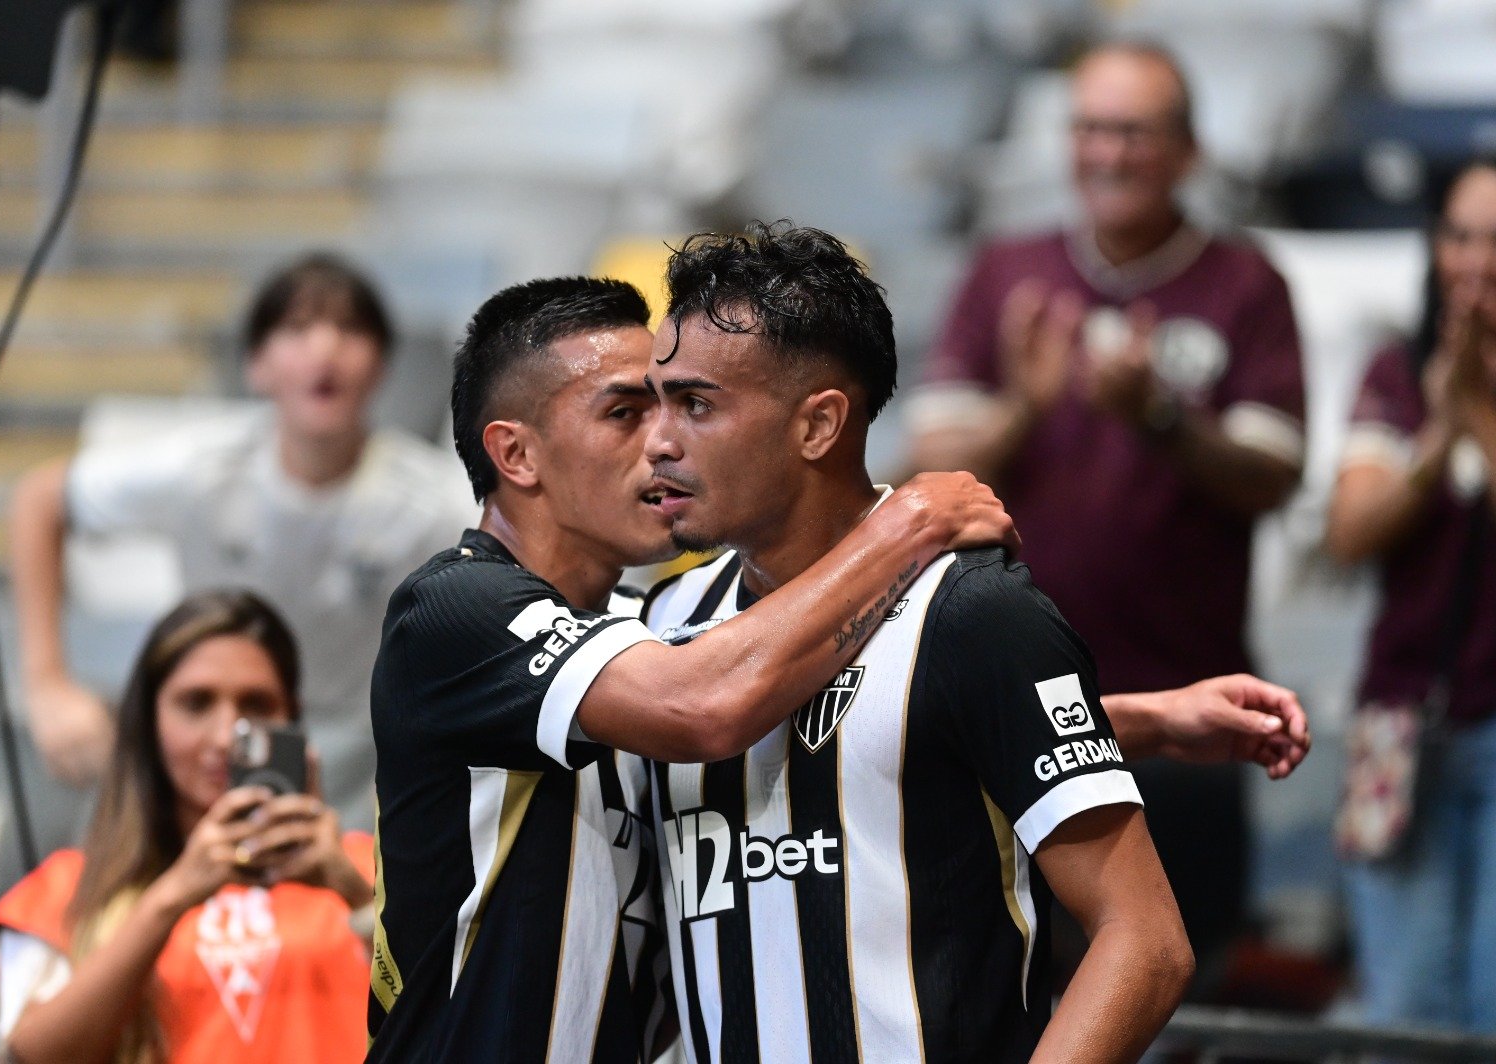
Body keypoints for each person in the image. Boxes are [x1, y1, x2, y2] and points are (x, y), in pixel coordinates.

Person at [640, 221, 1311, 1062]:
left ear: (817, 427)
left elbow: (1144, 944)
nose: (657, 440)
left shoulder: (975, 612)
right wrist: (1142, 718)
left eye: (695, 404)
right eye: (652, 402)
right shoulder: (661, 628)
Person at [366, 276, 1021, 1061]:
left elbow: (858, 723)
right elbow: (704, 710)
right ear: (515, 452)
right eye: (625, 412)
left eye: (680, 406)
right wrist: (908, 522)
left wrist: (1102, 715)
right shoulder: (454, 611)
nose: (665, 441)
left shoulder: (637, 632)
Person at [905, 41, 1307, 976]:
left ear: (1187, 151)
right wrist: (1028, 407)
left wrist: (1159, 413)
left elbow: (1274, 474)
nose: (1108, 153)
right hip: (1009, 714)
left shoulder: (1245, 283)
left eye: (1134, 131)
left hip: (1189, 714)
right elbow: (931, 460)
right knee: (1010, 988)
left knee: (1181, 989)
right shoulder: (1009, 269)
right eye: (1090, 128)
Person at [10, 252, 476, 830]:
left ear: (381, 366)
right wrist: (47, 685)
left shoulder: (431, 504)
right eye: (298, 328)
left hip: (357, 757)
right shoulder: (201, 468)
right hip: (209, 742)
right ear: (256, 364)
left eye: (351, 329)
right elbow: (41, 499)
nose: (325, 349)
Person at [0, 589, 375, 1064]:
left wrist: (352, 891)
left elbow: (462, 1014)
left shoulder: (367, 870)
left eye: (257, 705)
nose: (225, 735)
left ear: (291, 718)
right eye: (196, 703)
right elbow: (28, 1059)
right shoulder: (68, 888)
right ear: (150, 723)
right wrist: (171, 897)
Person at [1327, 157, 1496, 1032]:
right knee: (1409, 1013)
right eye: (1462, 234)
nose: (1477, 260)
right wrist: (1440, 432)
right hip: (1404, 724)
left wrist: (1483, 418)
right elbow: (1350, 532)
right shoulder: (1398, 373)